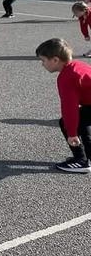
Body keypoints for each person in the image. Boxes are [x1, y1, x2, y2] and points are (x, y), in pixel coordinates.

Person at [35, 38, 91, 173]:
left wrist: (72, 133)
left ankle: (81, 160)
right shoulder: (77, 65)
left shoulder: (66, 77)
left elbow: (69, 108)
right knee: (82, 120)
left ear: (55, 60)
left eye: (43, 60)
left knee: (66, 122)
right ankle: (87, 157)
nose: (42, 64)